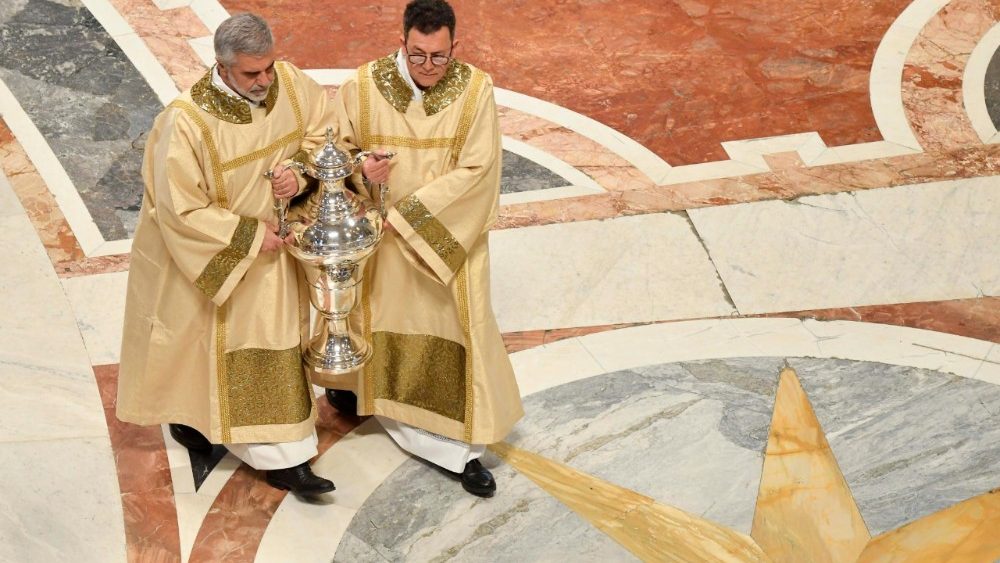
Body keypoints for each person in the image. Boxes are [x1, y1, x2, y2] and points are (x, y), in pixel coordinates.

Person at [116, 13, 336, 495]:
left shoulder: (290, 84)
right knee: (206, 350)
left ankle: (286, 456)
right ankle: (211, 429)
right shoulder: (186, 122)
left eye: (269, 67)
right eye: (251, 73)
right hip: (220, 258)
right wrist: (249, 236)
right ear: (221, 65)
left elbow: (323, 135)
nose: (265, 80)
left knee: (272, 347)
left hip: (278, 255)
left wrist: (299, 174)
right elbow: (178, 207)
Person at [318, 0, 523, 497]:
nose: (428, 66)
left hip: (446, 243)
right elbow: (335, 151)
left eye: (439, 56)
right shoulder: (364, 86)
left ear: (456, 46)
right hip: (382, 244)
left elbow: (479, 171)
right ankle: (363, 395)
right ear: (402, 41)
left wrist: (409, 219)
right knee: (378, 323)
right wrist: (362, 169)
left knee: (452, 331)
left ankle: (455, 450)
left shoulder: (475, 90)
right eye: (417, 55)